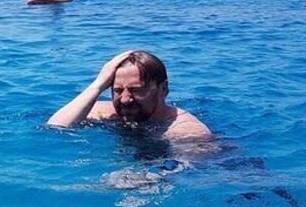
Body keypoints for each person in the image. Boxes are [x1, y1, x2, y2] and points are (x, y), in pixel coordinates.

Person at [47, 50, 212, 141]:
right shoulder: (104, 111)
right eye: (117, 90)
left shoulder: (186, 131)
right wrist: (97, 85)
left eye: (136, 90)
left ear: (163, 89)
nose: (125, 99)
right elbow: (55, 128)